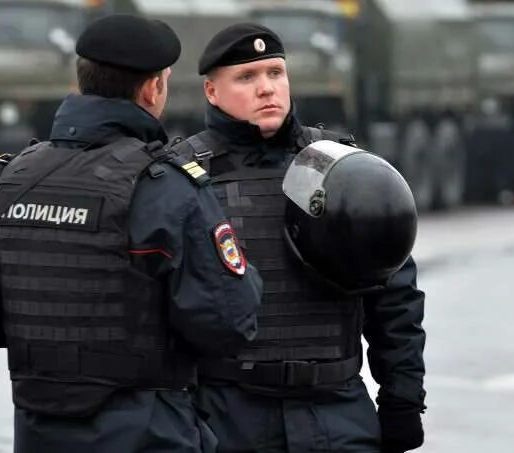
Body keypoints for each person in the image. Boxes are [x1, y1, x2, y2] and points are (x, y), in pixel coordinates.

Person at [0, 14, 263, 453]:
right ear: (153, 88)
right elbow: (229, 320)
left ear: (82, 83)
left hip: (39, 431)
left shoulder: (7, 179)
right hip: (150, 431)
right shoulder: (166, 185)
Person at [172, 23, 426, 452]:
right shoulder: (184, 178)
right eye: (247, 77)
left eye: (275, 73)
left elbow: (393, 294)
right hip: (229, 416)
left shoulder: (341, 167)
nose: (266, 88)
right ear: (212, 92)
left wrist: (403, 397)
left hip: (336, 410)